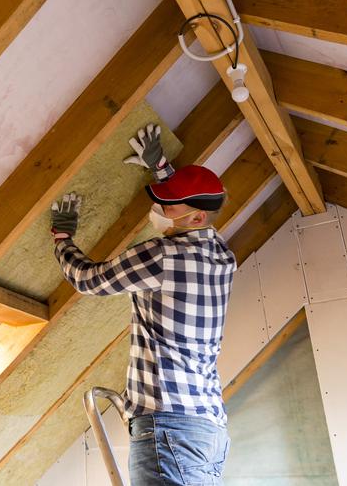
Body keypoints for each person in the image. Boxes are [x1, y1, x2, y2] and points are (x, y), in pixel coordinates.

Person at [51, 124, 236, 485]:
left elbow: (89, 280)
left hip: (169, 429)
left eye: (168, 203)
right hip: (207, 431)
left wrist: (61, 238)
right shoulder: (222, 256)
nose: (158, 207)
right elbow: (192, 206)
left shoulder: (162, 256)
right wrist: (162, 169)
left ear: (196, 218)